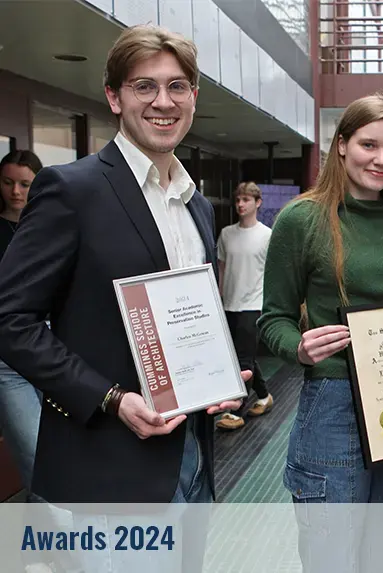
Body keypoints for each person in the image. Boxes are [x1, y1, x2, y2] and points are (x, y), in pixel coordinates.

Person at [0, 24, 248, 571]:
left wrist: (221, 378)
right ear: (113, 97)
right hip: (112, 468)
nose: (164, 101)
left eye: (178, 86)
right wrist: (111, 397)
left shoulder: (197, 206)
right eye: (145, 86)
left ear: (194, 98)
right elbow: (9, 320)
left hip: (193, 461)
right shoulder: (72, 190)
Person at [258, 92, 383, 572]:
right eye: (369, 145)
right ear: (342, 144)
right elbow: (272, 321)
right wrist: (299, 348)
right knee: (332, 556)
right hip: (333, 403)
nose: (382, 160)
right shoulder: (302, 220)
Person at [0, 150, 43, 493]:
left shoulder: (49, 226)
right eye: (8, 182)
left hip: (52, 348)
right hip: (7, 359)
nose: (16, 191)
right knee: (35, 455)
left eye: (25, 184)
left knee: (60, 453)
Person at [215, 181, 274, 431]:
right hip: (229, 303)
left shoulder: (267, 235)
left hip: (254, 304)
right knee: (243, 356)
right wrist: (217, 298)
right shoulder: (227, 234)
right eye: (238, 200)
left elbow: (273, 272)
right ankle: (263, 396)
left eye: (246, 200)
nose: (240, 204)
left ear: (257, 203)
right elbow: (221, 267)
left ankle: (236, 411)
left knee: (243, 361)